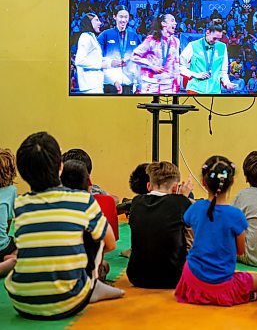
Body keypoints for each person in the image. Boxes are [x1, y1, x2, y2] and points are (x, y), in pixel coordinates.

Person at [5, 132, 124, 320]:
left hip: (21, 301)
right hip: (69, 301)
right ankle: (94, 284)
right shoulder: (83, 200)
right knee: (96, 235)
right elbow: (110, 244)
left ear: (21, 172)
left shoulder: (20, 204)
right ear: (61, 167)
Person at [175, 155, 257, 306]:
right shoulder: (235, 215)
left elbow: (188, 222)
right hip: (221, 284)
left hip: (192, 279)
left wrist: (184, 196)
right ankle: (245, 296)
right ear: (231, 182)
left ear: (204, 182)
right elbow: (240, 251)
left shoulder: (195, 208)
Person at [127, 161, 192, 288]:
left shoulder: (136, 202)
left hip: (136, 276)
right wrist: (184, 197)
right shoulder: (181, 202)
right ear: (175, 188)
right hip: (173, 278)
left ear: (148, 186)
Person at [180, 22, 235, 94]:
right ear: (207, 32)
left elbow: (223, 71)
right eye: (214, 38)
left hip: (214, 91)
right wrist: (195, 74)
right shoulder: (193, 45)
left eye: (219, 39)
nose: (216, 41)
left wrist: (227, 83)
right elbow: (179, 65)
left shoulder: (222, 47)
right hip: (195, 89)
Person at [131, 14, 180, 94]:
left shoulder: (176, 41)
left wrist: (177, 82)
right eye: (172, 20)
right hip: (151, 84)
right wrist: (151, 66)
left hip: (168, 85)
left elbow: (176, 63)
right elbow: (134, 56)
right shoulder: (151, 39)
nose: (175, 23)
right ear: (163, 24)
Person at [97, 5, 141, 94]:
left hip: (128, 84)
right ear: (114, 17)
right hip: (110, 84)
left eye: (126, 17)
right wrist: (110, 63)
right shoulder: (105, 35)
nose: (123, 20)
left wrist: (139, 85)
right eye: (121, 17)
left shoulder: (134, 36)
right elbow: (96, 59)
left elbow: (139, 60)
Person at [75, 13, 106, 94]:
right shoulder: (85, 37)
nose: (100, 23)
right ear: (88, 22)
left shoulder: (91, 37)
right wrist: (100, 65)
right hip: (90, 87)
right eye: (96, 20)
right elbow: (79, 60)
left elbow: (96, 58)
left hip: (96, 85)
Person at [0, 148, 17, 277]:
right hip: (2, 248)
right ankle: (7, 264)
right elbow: (9, 220)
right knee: (20, 249)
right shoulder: (11, 191)